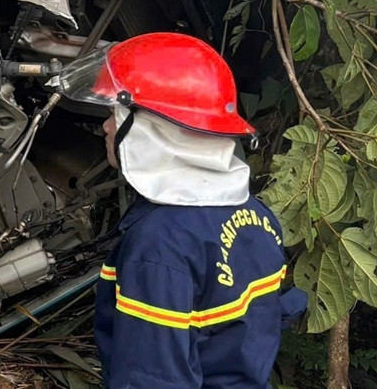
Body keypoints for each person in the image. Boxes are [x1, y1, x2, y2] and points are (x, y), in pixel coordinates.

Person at [83, 32, 306, 389]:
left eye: (115, 113)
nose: (106, 126)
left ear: (152, 132)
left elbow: (152, 381)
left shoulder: (158, 247)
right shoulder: (259, 216)